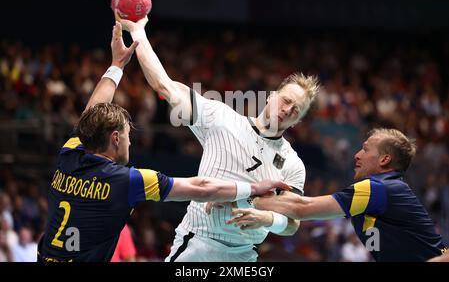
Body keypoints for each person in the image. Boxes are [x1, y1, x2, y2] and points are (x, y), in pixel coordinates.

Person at [37, 22, 289, 262]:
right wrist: (253, 188)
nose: (130, 142)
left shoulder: (71, 153)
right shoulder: (128, 180)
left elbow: (89, 115)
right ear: (115, 138)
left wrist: (116, 65)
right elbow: (201, 187)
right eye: (127, 135)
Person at [117, 15, 319, 262]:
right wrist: (138, 32)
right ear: (271, 96)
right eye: (286, 100)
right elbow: (164, 86)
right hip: (199, 244)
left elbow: (291, 223)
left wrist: (265, 218)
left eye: (296, 110)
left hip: (244, 256)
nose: (288, 109)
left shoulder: (293, 164)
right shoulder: (221, 118)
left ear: (297, 121)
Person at [228, 128, 447, 261]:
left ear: (384, 160)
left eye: (366, 149)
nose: (357, 155)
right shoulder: (383, 193)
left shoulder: (379, 188)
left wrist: (246, 194)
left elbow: (302, 209)